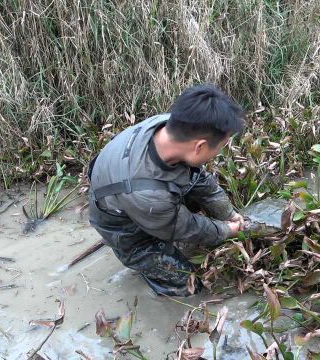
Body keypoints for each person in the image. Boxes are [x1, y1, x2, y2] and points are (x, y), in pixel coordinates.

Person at [87, 84, 245, 297]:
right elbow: (188, 228)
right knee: (187, 284)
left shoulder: (169, 126)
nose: (218, 152)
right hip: (124, 226)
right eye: (220, 147)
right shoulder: (149, 195)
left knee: (187, 200)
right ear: (199, 146)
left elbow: (199, 179)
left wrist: (229, 213)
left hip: (131, 192)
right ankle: (144, 263)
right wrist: (227, 230)